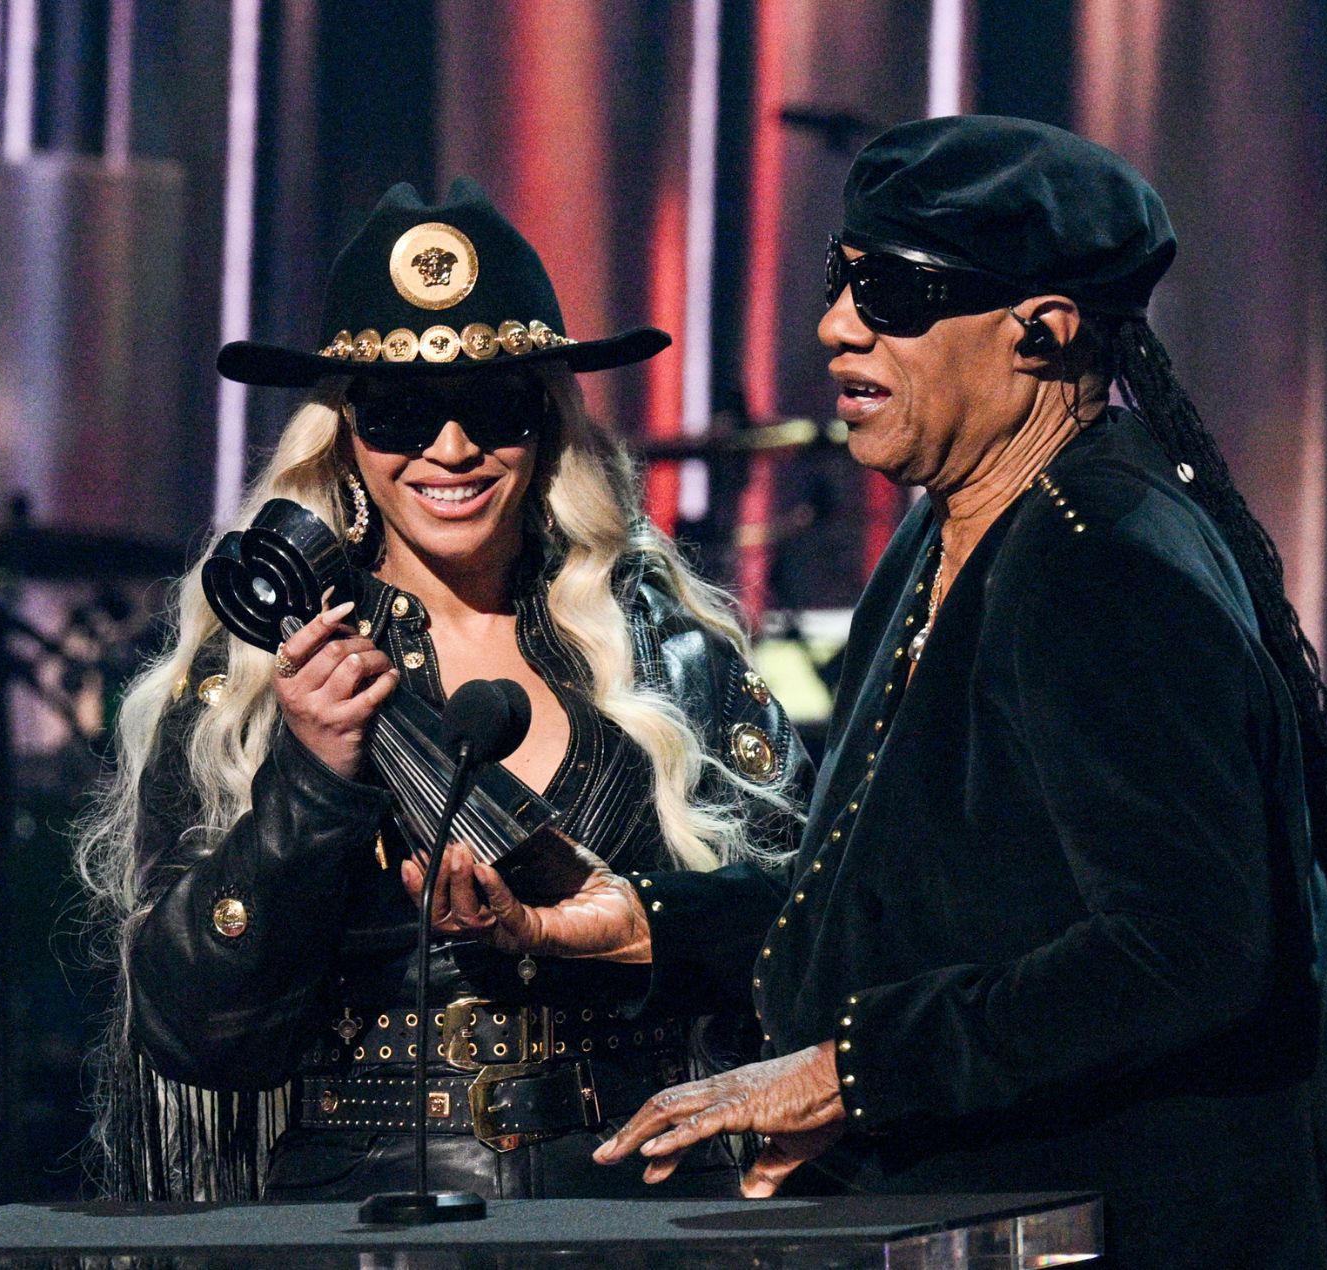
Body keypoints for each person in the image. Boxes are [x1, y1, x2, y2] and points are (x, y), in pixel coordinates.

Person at [595, 117, 1327, 1268]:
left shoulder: (1101, 557)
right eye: (838, 281)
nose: (834, 326)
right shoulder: (942, 532)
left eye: (891, 294)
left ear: (1038, 333)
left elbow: (1183, 953)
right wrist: (646, 919)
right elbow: (916, 900)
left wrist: (852, 1074)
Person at [76, 178, 809, 1202]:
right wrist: (310, 781)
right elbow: (190, 1030)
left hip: (639, 1209)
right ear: (343, 432)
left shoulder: (670, 655)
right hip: (356, 1220)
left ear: (546, 421)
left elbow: (816, 929)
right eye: (403, 411)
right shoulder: (244, 685)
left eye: (494, 405)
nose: (452, 448)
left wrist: (629, 921)